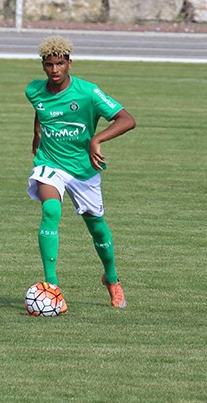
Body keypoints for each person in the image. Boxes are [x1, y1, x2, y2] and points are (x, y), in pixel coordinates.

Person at [26, 36, 136, 309]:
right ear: (43, 65)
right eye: (49, 64)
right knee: (51, 210)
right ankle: (52, 288)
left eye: (60, 64)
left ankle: (112, 279)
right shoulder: (34, 90)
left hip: (83, 170)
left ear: (69, 64)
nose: (55, 70)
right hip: (50, 163)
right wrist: (37, 133)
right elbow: (40, 111)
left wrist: (96, 139)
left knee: (97, 228)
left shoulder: (88, 92)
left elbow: (127, 120)